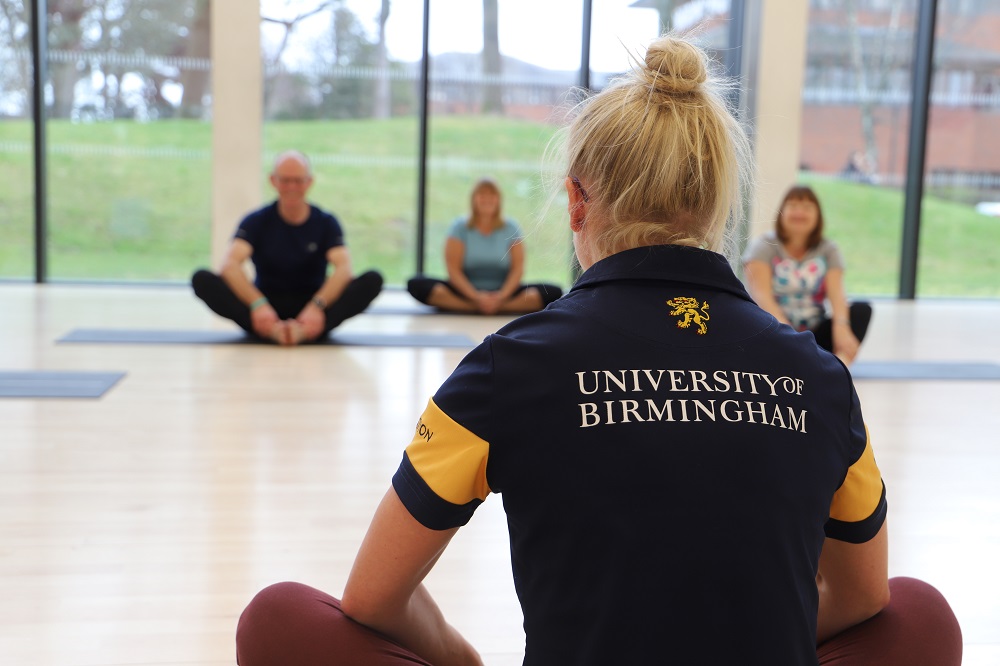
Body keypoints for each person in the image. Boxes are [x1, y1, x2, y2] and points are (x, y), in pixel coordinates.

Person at [235, 36, 962, 665]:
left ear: (578, 203)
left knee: (279, 620)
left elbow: (373, 597)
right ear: (718, 209)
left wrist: (462, 659)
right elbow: (863, 598)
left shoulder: (505, 366)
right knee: (918, 613)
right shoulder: (820, 377)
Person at [191, 150, 383, 346]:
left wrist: (317, 306)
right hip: (266, 304)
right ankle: (271, 330)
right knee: (202, 279)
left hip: (312, 303)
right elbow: (230, 265)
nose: (292, 187)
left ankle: (307, 330)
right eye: (285, 180)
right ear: (273, 181)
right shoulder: (256, 221)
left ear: (309, 182)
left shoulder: (326, 222)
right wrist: (258, 304)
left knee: (372, 279)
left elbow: (343, 268)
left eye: (298, 181)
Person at [743, 185, 872, 365]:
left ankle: (837, 369)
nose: (799, 213)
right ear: (782, 212)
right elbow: (761, 297)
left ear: (817, 215)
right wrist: (790, 337)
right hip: (774, 329)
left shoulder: (828, 249)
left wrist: (841, 326)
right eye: (793, 206)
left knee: (860, 310)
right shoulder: (764, 246)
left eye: (807, 208)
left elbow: (837, 295)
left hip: (813, 332)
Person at [406, 178, 562, 314]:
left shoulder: (511, 227)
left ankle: (495, 307)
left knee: (551, 291)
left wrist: (501, 297)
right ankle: (475, 306)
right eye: (482, 194)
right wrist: (476, 297)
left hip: (504, 292)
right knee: (417, 284)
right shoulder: (459, 227)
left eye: (492, 195)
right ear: (473, 199)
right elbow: (453, 270)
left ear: (498, 200)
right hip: (465, 292)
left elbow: (518, 269)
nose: (487, 199)